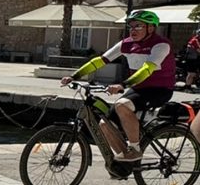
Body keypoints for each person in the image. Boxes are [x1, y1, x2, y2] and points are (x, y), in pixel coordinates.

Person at [60, 10, 175, 163]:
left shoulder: (161, 45)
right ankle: (124, 159)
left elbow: (147, 70)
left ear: (151, 28)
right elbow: (100, 61)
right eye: (131, 26)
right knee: (104, 123)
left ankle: (135, 149)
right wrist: (75, 76)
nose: (133, 30)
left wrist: (122, 85)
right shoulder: (126, 44)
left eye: (138, 26)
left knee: (122, 105)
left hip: (160, 89)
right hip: (139, 88)